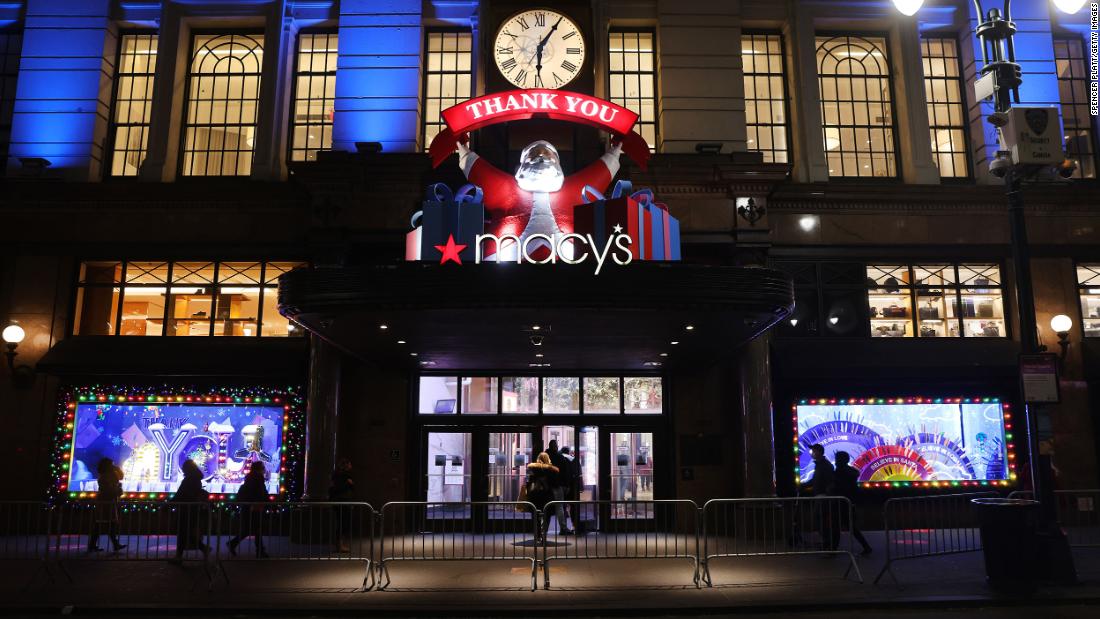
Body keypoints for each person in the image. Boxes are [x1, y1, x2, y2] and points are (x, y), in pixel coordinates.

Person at [456, 138, 622, 259]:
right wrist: (464, 153)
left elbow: (598, 172)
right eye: (535, 154)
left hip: (568, 258)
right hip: (503, 258)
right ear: (522, 164)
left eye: (548, 154)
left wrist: (614, 153)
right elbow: (482, 172)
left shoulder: (573, 189)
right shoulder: (505, 189)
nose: (542, 157)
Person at [170, 459, 210, 564]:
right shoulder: (196, 479)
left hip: (186, 509)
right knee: (187, 533)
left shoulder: (189, 479)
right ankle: (202, 548)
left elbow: (180, 494)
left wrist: (168, 504)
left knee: (184, 533)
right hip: (192, 509)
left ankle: (179, 556)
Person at [226, 461, 269, 558]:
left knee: (250, 529)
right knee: (256, 529)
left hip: (249, 506)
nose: (264, 469)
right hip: (254, 507)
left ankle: (233, 544)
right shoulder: (258, 478)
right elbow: (260, 492)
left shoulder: (250, 477)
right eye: (263, 467)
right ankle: (259, 551)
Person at [833, 451, 872, 555]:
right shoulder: (850, 472)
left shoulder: (840, 471)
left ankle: (833, 550)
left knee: (838, 526)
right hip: (849, 501)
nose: (835, 461)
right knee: (851, 527)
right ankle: (866, 547)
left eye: (836, 458)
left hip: (842, 502)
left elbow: (838, 487)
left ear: (840, 460)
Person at [88, 458, 126, 552]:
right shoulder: (104, 476)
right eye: (112, 464)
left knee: (103, 523)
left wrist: (117, 469)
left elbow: (120, 477)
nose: (113, 465)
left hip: (108, 501)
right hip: (105, 502)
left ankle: (94, 545)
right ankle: (114, 544)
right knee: (105, 523)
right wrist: (118, 491)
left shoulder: (110, 474)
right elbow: (108, 489)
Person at [806, 444, 839, 551]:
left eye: (813, 451)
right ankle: (826, 542)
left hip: (823, 497)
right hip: (820, 496)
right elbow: (816, 480)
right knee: (820, 520)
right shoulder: (820, 465)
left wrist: (826, 493)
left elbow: (829, 481)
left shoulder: (825, 465)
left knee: (820, 520)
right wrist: (804, 486)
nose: (811, 453)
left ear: (819, 452)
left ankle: (827, 542)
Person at [525, 452, 559, 543]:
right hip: (547, 496)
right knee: (546, 516)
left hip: (535, 496)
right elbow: (555, 483)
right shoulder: (552, 470)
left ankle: (537, 535)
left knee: (535, 516)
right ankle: (544, 534)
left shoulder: (532, 469)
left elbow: (528, 483)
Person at [545, 440, 574, 535]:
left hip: (546, 486)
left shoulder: (544, 457)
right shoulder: (560, 457)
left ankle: (543, 529)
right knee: (559, 507)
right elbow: (565, 472)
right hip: (557, 486)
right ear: (556, 447)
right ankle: (563, 528)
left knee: (546, 508)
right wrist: (566, 485)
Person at [328, 458, 355, 552]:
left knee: (343, 523)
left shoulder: (339, 476)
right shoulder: (342, 476)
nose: (351, 466)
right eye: (350, 464)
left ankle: (340, 544)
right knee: (343, 523)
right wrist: (349, 483)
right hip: (342, 501)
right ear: (346, 465)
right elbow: (339, 489)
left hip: (342, 501)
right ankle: (339, 545)